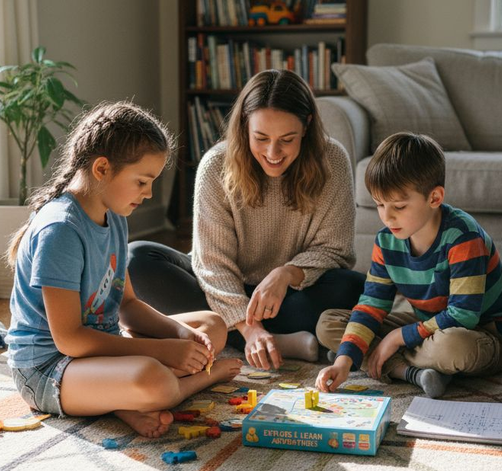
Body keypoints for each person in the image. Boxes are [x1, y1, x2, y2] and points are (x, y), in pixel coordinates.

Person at [5, 101, 241, 438]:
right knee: (155, 380)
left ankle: (121, 402)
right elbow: (70, 340)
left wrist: (177, 335)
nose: (148, 194)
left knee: (212, 326)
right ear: (102, 168)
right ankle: (191, 383)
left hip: (101, 346)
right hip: (49, 368)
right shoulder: (60, 231)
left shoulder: (114, 216)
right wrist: (165, 352)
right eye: (142, 182)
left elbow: (127, 306)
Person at [128, 69, 365, 371]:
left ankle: (222, 335)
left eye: (287, 140)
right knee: (136, 260)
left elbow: (337, 250)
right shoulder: (216, 165)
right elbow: (212, 265)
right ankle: (259, 339)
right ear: (244, 126)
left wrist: (286, 274)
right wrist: (248, 325)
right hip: (220, 292)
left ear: (306, 126)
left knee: (354, 288)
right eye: (261, 138)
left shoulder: (332, 159)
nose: (273, 152)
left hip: (290, 296)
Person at [315, 132, 502, 398]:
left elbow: (464, 315)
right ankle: (416, 373)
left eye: (398, 205)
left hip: (480, 333)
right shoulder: (387, 241)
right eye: (379, 204)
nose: (387, 216)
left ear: (434, 198)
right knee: (327, 324)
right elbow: (371, 305)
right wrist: (341, 362)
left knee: (452, 347)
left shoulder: (463, 237)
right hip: (428, 326)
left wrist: (396, 338)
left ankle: (379, 359)